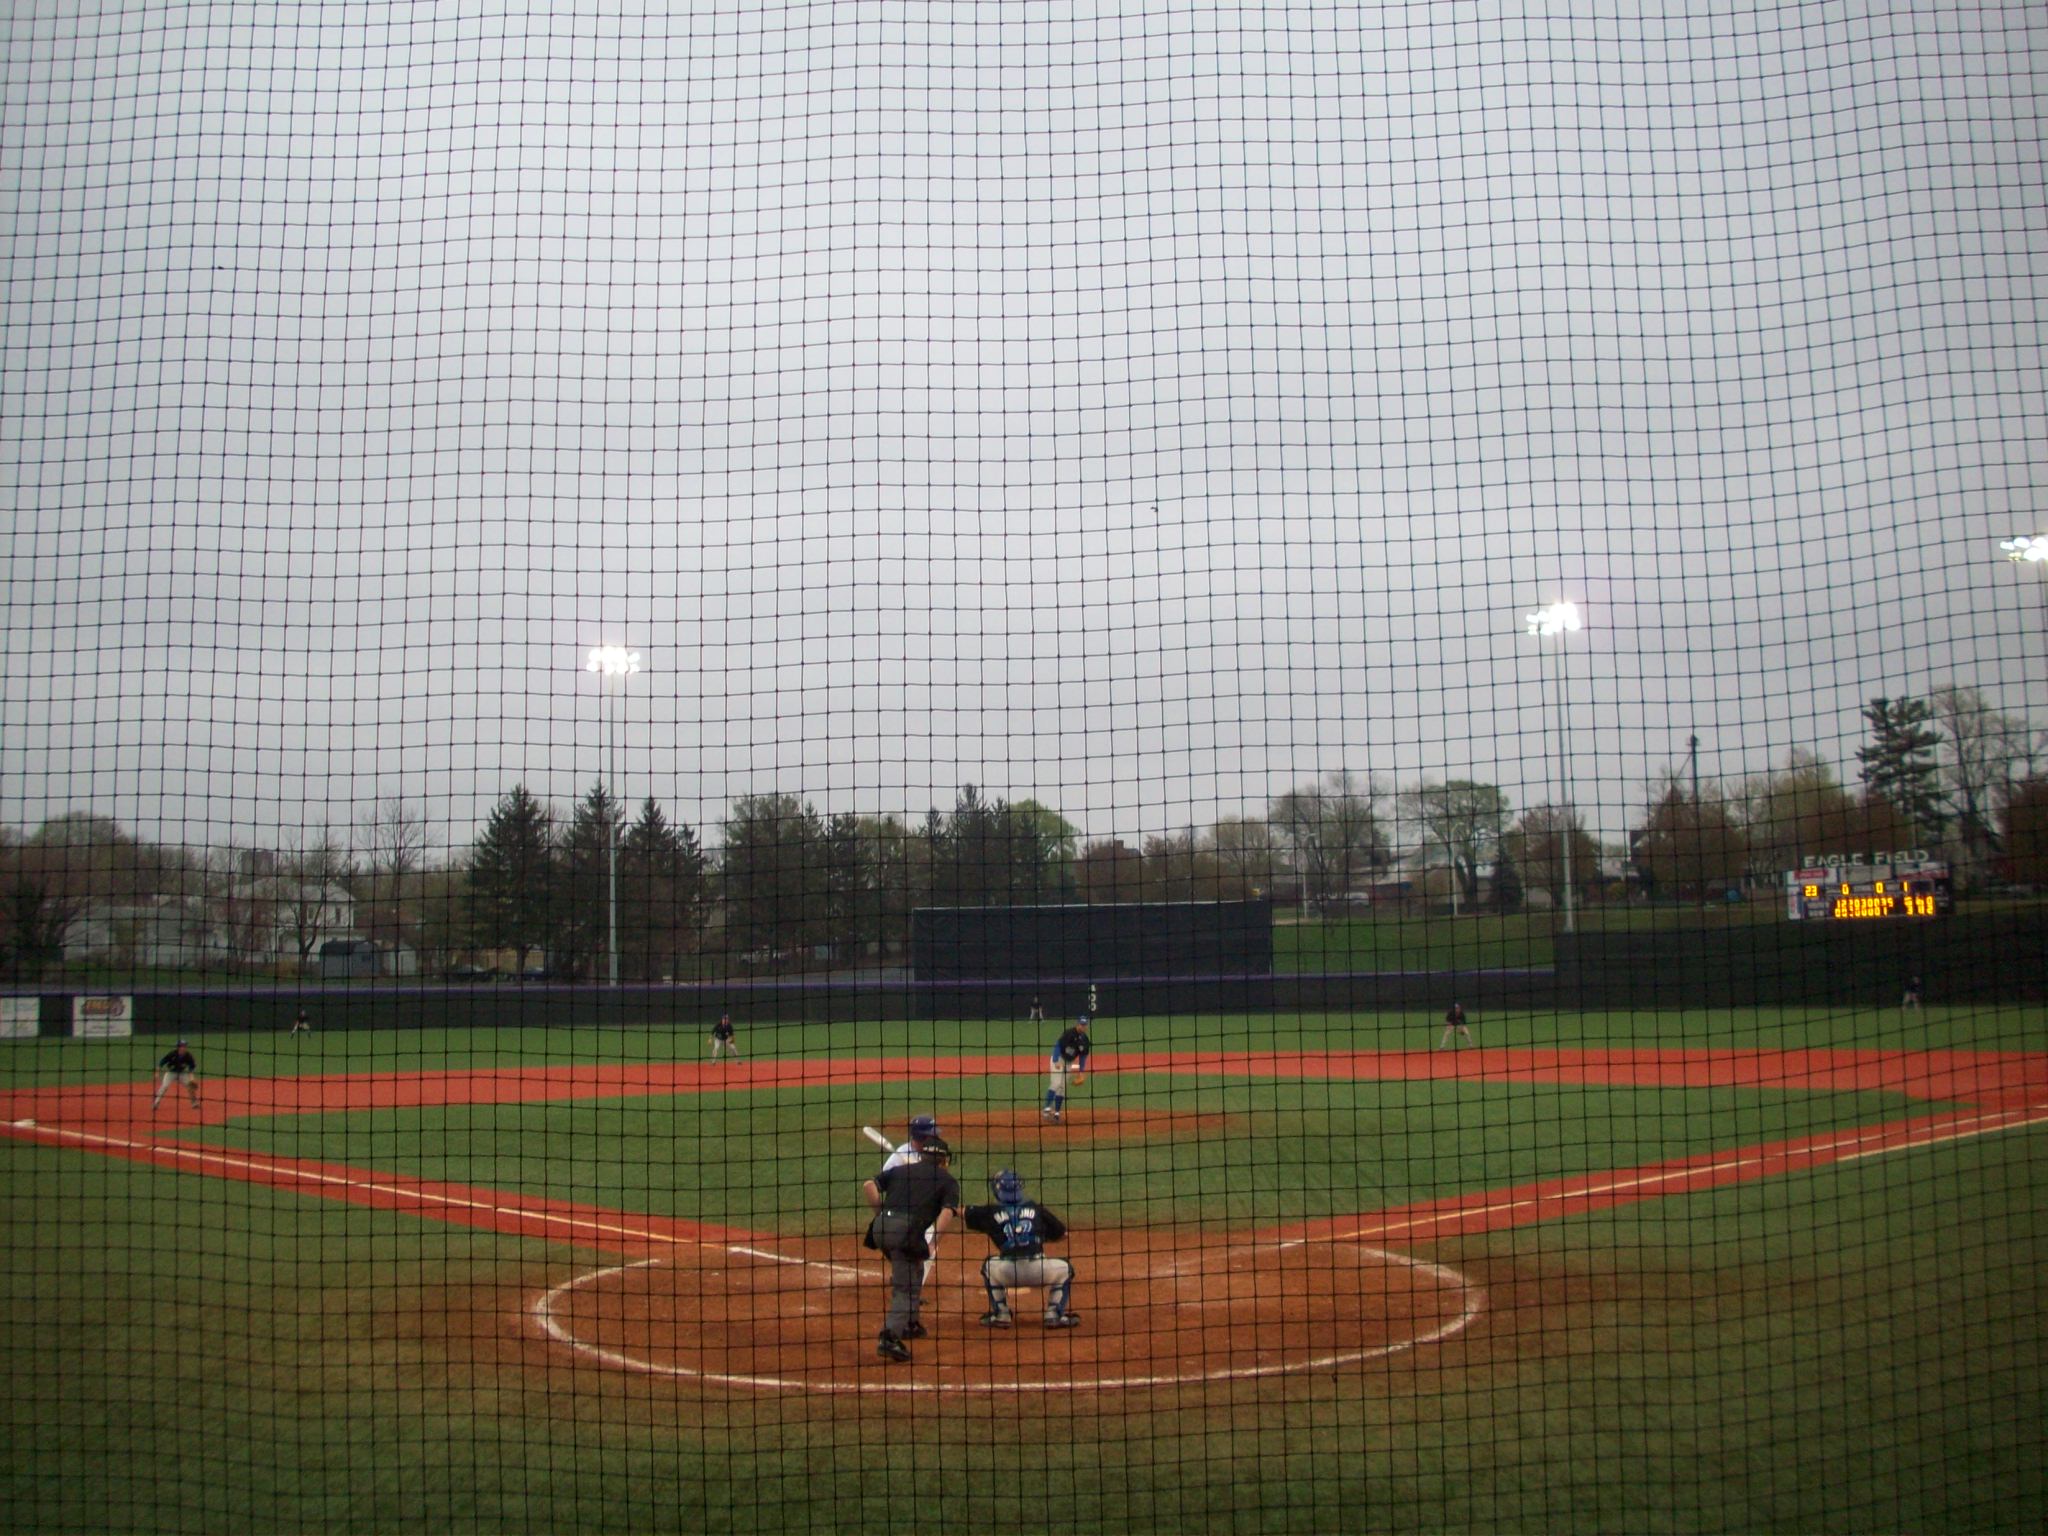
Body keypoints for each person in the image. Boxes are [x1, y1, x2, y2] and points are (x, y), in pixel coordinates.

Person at [862, 1135, 961, 1362]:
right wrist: (935, 1241)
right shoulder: (948, 1181)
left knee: (913, 1269)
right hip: (905, 1232)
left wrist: (880, 1216)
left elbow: (869, 1186)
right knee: (904, 1287)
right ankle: (889, 1337)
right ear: (943, 1159)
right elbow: (947, 1212)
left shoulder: (899, 1171)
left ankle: (910, 1323)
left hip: (880, 1229)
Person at [965, 1167, 1079, 1329]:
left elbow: (961, 1212)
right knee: (1065, 1268)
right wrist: (1038, 1238)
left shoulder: (989, 1212)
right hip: (1039, 1272)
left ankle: (1001, 1314)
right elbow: (1062, 1234)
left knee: (988, 1266)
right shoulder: (1035, 1207)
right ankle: (1054, 1314)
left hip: (1007, 1273)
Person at [881, 1114, 947, 1283]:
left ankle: (903, 1276)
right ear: (922, 1136)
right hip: (900, 1214)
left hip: (919, 1214)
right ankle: (912, 1288)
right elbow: (880, 1185)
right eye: (932, 1134)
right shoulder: (898, 1158)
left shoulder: (933, 1153)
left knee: (921, 1247)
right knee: (927, 1247)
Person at [1043, 1015, 1091, 1122]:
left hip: (1068, 1063)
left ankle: (1056, 1114)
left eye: (1084, 1025)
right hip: (1059, 1059)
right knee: (1056, 1084)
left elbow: (1083, 1057)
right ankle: (1046, 1110)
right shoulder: (1069, 1033)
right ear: (1077, 1024)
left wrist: (1081, 1072)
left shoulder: (1085, 1040)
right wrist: (1055, 1060)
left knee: (1062, 1089)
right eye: (1081, 1024)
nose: (1083, 1026)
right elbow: (1058, 1045)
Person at [153, 1039, 200, 1111]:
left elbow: (191, 1068)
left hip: (182, 1073)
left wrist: (191, 1078)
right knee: (164, 1086)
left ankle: (194, 1103)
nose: (184, 1048)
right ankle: (156, 1103)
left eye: (185, 1046)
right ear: (178, 1047)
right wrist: (157, 1072)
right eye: (182, 1046)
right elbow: (161, 1063)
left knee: (190, 1086)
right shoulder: (172, 1054)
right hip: (171, 1073)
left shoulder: (188, 1056)